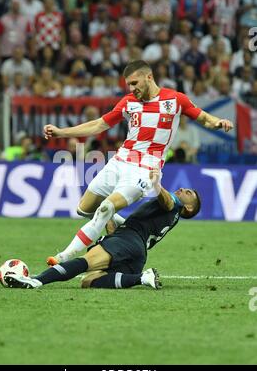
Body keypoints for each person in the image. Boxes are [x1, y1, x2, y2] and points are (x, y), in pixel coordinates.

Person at [43, 60, 232, 266]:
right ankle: (127, 228)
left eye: (135, 83)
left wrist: (217, 122)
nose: (132, 89)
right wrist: (62, 132)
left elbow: (203, 117)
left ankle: (63, 257)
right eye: (129, 85)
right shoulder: (128, 102)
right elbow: (98, 125)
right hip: (120, 160)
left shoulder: (175, 100)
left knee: (107, 207)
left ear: (149, 77)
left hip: (145, 168)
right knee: (84, 209)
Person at [4, 169, 201, 290]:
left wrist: (156, 184)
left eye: (188, 192)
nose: (183, 190)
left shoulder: (173, 205)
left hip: (128, 240)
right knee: (88, 281)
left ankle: (36, 281)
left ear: (189, 208)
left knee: (84, 262)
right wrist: (107, 217)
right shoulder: (171, 218)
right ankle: (141, 278)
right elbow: (118, 227)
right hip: (138, 253)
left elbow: (167, 201)